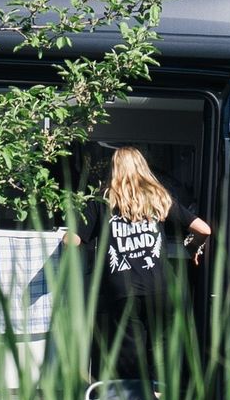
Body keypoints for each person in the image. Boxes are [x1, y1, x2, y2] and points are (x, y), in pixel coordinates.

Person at [70, 146, 211, 379]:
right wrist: (192, 245)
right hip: (162, 288)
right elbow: (204, 229)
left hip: (122, 290)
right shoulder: (160, 199)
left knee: (129, 357)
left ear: (114, 169)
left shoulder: (101, 201)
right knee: (160, 351)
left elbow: (72, 241)